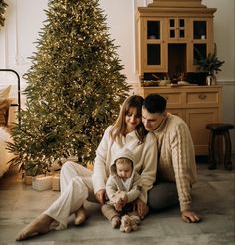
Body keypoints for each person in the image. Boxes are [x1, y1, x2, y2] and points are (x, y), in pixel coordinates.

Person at [16, 95, 157, 240]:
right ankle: (78, 210)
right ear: (123, 114)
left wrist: (141, 198)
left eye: (138, 116)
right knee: (68, 166)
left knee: (77, 183)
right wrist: (99, 187)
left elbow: (149, 174)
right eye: (129, 114)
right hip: (105, 185)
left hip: (121, 191)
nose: (133, 120)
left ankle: (46, 219)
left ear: (143, 116)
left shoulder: (148, 139)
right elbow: (100, 160)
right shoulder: (111, 131)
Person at [142, 93, 201, 223]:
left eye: (152, 120)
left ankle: (182, 194)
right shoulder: (145, 124)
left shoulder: (176, 128)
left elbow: (181, 170)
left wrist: (185, 207)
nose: (146, 124)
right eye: (143, 117)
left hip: (172, 180)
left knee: (154, 200)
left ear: (164, 115)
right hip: (154, 177)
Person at [101, 148, 142, 228]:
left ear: (132, 168)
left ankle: (132, 219)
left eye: (127, 171)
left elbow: (137, 190)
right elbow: (109, 188)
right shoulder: (113, 177)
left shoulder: (136, 177)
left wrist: (128, 197)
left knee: (137, 207)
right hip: (116, 203)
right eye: (120, 170)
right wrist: (114, 198)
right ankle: (114, 218)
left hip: (129, 202)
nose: (123, 173)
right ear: (115, 168)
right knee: (105, 207)